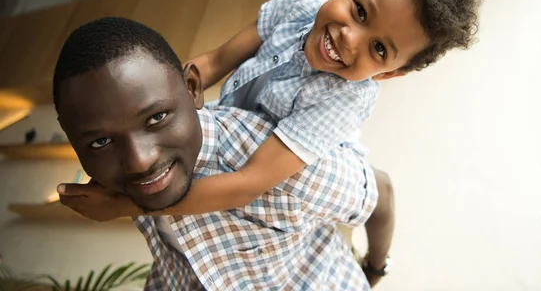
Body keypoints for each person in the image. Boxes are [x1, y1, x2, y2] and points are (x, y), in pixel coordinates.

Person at [58, 0, 484, 286]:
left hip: (294, 154)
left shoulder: (346, 98)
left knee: (320, 198)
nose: (351, 39)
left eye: (378, 49)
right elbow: (216, 60)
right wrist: (164, 98)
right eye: (359, 11)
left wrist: (124, 205)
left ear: (389, 74)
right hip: (236, 127)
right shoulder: (299, 5)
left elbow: (249, 182)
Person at [54, 17, 384, 290]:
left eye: (156, 118)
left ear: (193, 87)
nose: (139, 161)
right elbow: (178, 268)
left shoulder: (279, 158)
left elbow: (382, 193)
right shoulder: (135, 181)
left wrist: (375, 270)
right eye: (100, 143)